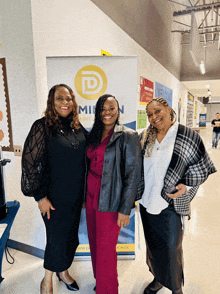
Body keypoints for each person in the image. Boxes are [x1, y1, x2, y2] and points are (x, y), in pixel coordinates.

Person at [139, 97, 216, 294]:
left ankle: (176, 288)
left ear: (168, 109)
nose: (154, 117)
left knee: (172, 249)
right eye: (149, 114)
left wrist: (186, 186)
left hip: (172, 204)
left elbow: (201, 167)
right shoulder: (146, 136)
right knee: (153, 246)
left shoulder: (187, 135)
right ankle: (158, 278)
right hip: (148, 203)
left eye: (157, 111)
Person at [21, 84, 88, 294]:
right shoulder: (42, 127)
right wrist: (40, 197)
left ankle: (63, 272)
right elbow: (28, 163)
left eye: (69, 98)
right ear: (52, 101)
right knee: (56, 239)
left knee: (70, 238)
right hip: (52, 198)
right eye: (60, 98)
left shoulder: (77, 127)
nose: (65, 102)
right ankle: (47, 279)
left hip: (75, 197)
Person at [85, 94, 142, 294]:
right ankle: (100, 281)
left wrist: (125, 209)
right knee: (94, 242)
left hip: (111, 198)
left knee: (106, 249)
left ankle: (107, 290)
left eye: (111, 108)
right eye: (103, 109)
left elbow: (133, 174)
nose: (107, 113)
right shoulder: (93, 133)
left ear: (118, 111)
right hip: (91, 196)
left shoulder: (128, 135)